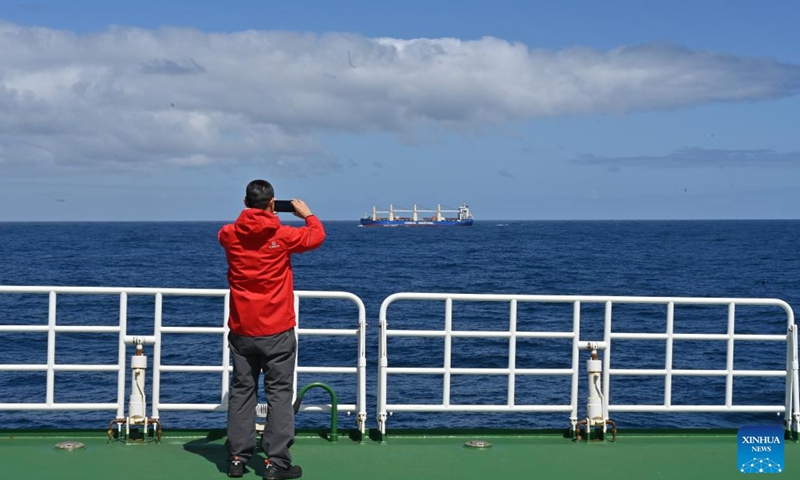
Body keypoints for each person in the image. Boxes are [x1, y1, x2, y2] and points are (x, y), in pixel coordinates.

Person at [218, 179, 325, 480]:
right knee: (279, 393)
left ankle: (238, 458)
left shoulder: (229, 235)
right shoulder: (283, 235)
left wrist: (261, 215)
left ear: (244, 202)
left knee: (242, 391)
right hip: (277, 329)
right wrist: (306, 214)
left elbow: (227, 234)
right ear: (272, 204)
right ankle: (276, 463)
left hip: (242, 329)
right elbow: (317, 236)